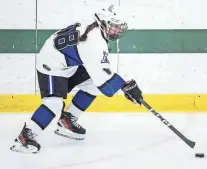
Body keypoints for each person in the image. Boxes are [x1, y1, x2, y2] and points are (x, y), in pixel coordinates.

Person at [10, 5, 143, 154]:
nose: (117, 31)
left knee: (94, 85)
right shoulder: (94, 43)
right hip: (51, 64)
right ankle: (25, 137)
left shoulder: (94, 27)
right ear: (104, 23)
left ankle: (67, 119)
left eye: (119, 27)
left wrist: (124, 85)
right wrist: (126, 87)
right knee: (53, 103)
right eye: (114, 26)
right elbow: (106, 82)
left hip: (68, 62)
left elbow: (101, 71)